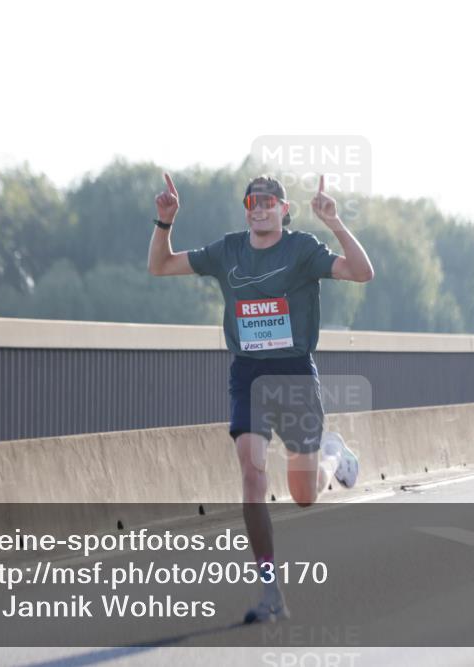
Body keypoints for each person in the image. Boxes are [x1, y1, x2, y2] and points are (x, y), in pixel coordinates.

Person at [147, 172, 374, 623]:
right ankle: (271, 591)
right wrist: (164, 222)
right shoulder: (227, 250)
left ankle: (333, 452)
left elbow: (362, 272)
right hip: (248, 374)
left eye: (270, 201)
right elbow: (161, 266)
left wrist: (336, 223)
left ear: (284, 210)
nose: (261, 207)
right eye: (254, 201)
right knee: (252, 475)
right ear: (246, 208)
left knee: (304, 494)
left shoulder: (303, 249)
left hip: (293, 373)